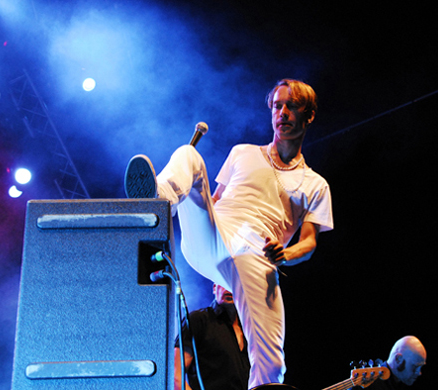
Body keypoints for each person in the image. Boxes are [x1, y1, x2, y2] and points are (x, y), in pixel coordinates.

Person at [125, 79, 334, 388]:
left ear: (309, 115)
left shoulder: (315, 184)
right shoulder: (243, 153)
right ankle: (158, 196)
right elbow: (217, 199)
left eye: (292, 106)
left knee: (272, 364)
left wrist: (285, 254)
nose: (283, 113)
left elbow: (310, 242)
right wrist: (202, 214)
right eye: (278, 106)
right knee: (189, 155)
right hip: (213, 238)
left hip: (257, 257)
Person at [174, 284, 250, 390]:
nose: (228, 288)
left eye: (231, 283)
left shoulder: (249, 328)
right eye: (223, 282)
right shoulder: (198, 320)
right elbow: (176, 377)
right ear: (214, 287)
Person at [350, 336, 427, 390]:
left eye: (421, 367)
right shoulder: (369, 385)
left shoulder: (405, 383)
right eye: (415, 366)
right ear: (398, 359)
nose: (419, 372)